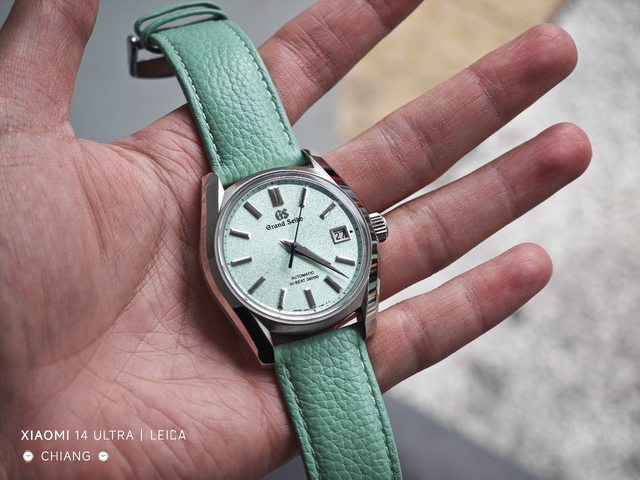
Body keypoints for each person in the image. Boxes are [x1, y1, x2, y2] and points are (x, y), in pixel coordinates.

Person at [0, 0, 591, 478]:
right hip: (283, 314)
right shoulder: (227, 219)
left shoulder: (321, 198)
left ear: (367, 229)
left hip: (333, 302)